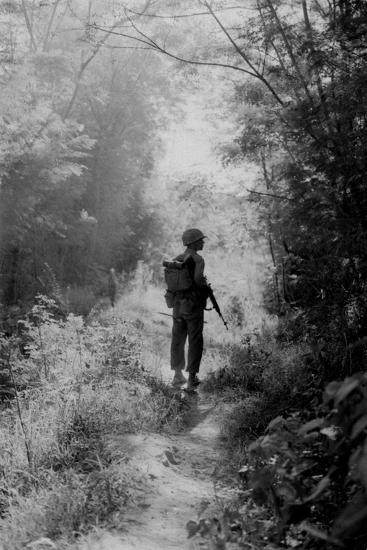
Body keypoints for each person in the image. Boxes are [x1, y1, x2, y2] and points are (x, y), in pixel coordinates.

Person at [170, 228, 209, 390]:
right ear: (193, 242)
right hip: (192, 305)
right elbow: (198, 279)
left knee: (178, 338)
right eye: (200, 240)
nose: (203, 242)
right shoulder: (198, 259)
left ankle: (177, 375)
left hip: (177, 304)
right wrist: (205, 288)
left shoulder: (177, 258)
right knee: (195, 339)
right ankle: (192, 378)